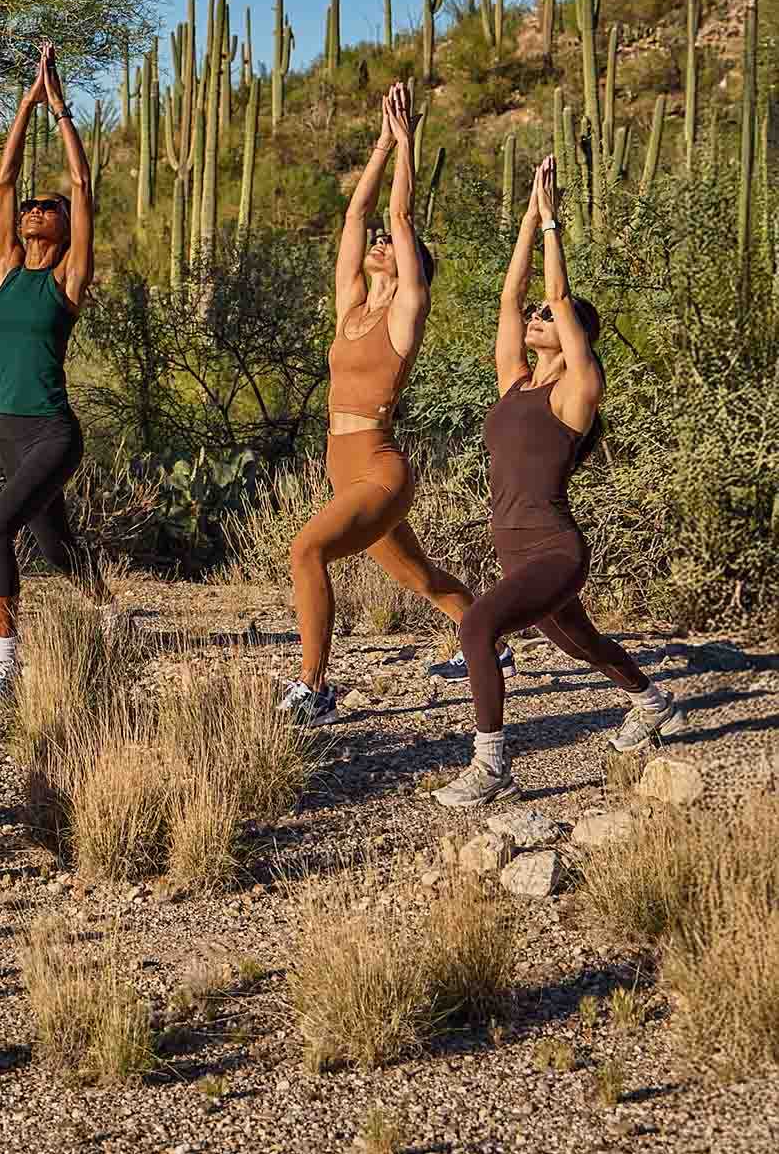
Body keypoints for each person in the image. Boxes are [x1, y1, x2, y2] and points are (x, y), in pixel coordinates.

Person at [432, 157, 682, 808]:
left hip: (553, 550)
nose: (538, 314)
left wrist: (551, 225)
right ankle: (652, 701)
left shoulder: (578, 392)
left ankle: (491, 767)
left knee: (477, 629)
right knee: (580, 641)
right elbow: (509, 298)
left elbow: (560, 297)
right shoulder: (514, 379)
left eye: (551, 314)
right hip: (516, 549)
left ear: (578, 339)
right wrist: (523, 218)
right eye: (537, 313)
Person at [282, 82, 485, 725]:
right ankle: (490, 640)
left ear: (411, 266)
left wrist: (406, 149)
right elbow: (354, 218)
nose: (378, 244)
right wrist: (377, 146)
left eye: (390, 248)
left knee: (306, 552)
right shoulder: (352, 309)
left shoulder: (406, 311)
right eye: (377, 246)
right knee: (420, 579)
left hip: (379, 470)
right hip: (344, 469)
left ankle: (314, 690)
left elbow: (397, 219)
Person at [0, 43, 106, 710]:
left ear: (60, 226)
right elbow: (1, 183)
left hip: (54, 429)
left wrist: (60, 112)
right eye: (31, 207)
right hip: (8, 427)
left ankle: (6, 661)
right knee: (56, 542)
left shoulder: (65, 277)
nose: (33, 209)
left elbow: (82, 188)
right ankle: (110, 615)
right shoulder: (6, 269)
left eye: (44, 208)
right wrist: (23, 104)